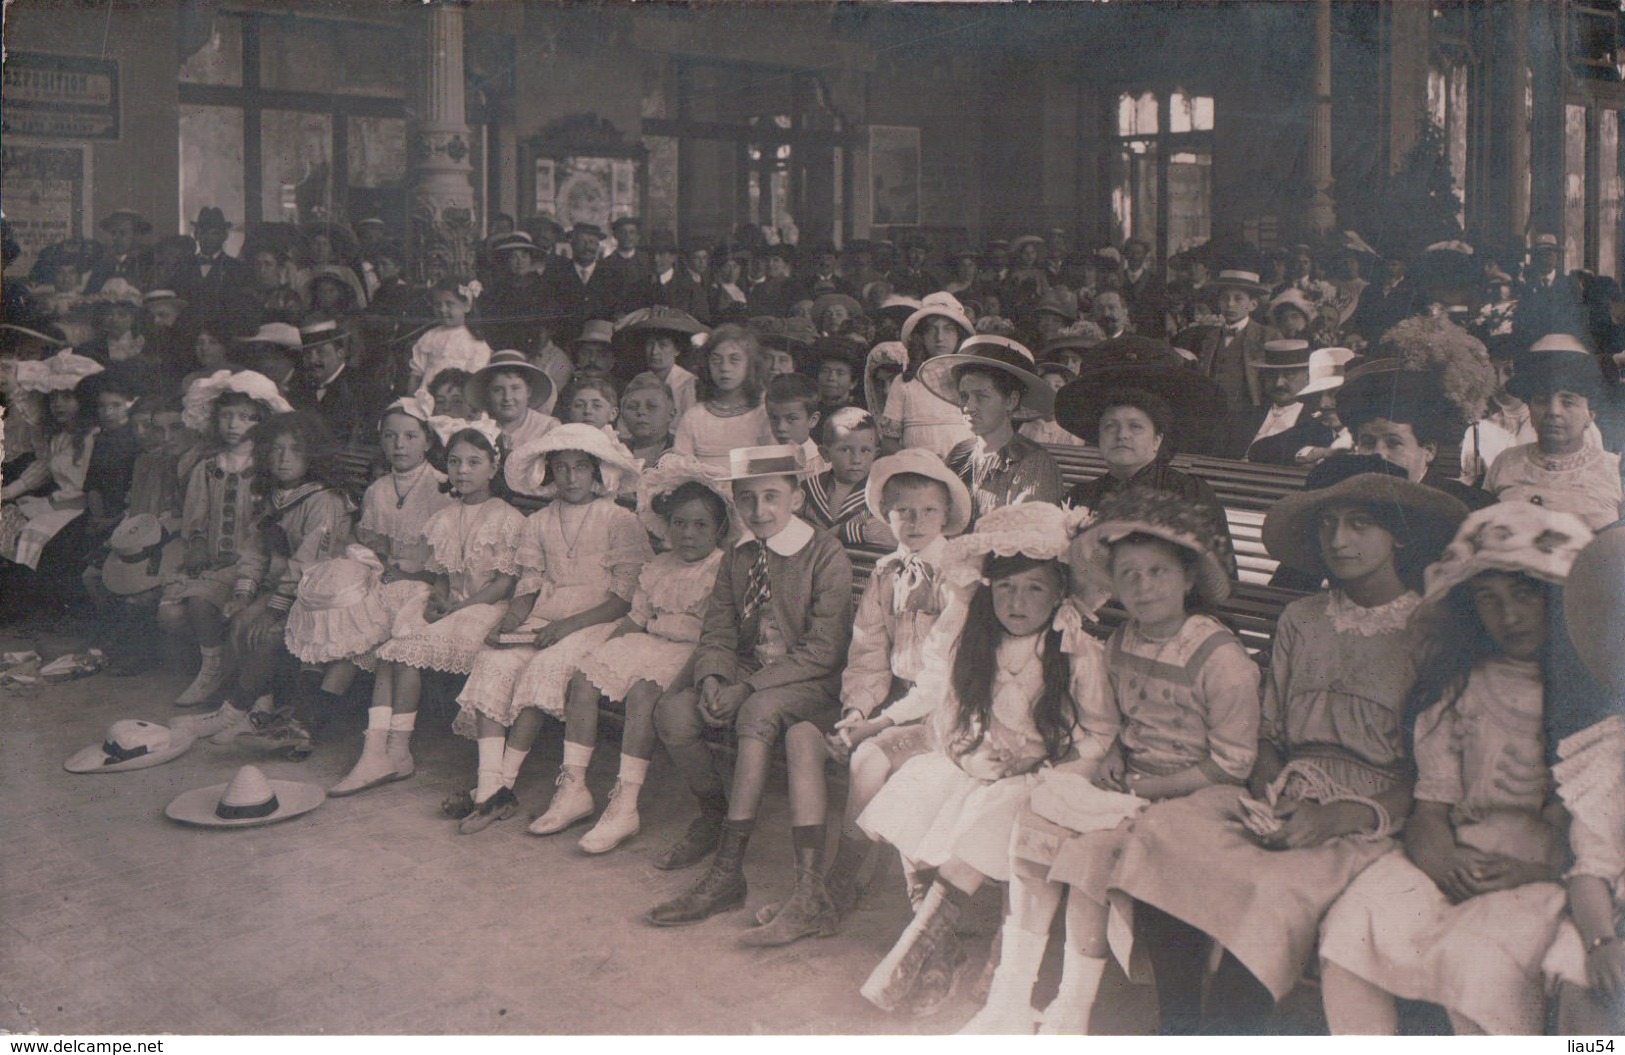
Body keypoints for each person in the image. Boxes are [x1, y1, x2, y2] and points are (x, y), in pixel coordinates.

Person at [1107, 458, 1468, 1033]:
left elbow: (1432, 774)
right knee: (1163, 832)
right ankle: (1176, 1024)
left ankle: (1227, 1031)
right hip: (1280, 791)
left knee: (1270, 888)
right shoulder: (1301, 618)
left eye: (1359, 525)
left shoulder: (1429, 630)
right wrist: (1272, 791)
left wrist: (1338, 816)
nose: (1339, 540)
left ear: (1398, 535)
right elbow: (1269, 732)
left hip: (1366, 815)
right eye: (1328, 526)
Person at [967, 488, 1258, 1034]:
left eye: (1157, 573)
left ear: (1188, 580)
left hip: (1201, 790)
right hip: (1135, 780)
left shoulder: (1219, 658)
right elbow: (1121, 723)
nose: (1142, 587)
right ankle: (1009, 999)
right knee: (1037, 817)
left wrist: (1146, 787)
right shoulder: (1122, 642)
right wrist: (1114, 761)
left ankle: (1072, 1008)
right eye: (1128, 575)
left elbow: (1233, 765)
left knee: (1088, 853)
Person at [1319, 502, 1594, 1035]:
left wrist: (1536, 872)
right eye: (1489, 600)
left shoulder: (1591, 701)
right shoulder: (1463, 689)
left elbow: (1600, 845)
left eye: (1524, 595)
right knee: (1352, 926)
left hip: (1545, 876)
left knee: (1475, 962)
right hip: (1452, 859)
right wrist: (1439, 860)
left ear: (1561, 598)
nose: (1508, 616)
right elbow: (1430, 805)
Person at [857, 502, 1116, 1015]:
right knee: (918, 791)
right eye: (1007, 588)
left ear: (1060, 593)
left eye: (1035, 588)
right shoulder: (973, 641)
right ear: (988, 589)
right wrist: (970, 753)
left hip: (1043, 775)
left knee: (992, 817)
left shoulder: (1075, 650)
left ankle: (927, 948)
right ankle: (938, 953)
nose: (1018, 602)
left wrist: (1050, 768)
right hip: (981, 765)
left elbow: (1101, 733)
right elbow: (951, 717)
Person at [644, 444, 854, 931]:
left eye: (772, 497)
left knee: (756, 712)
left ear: (796, 497)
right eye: (747, 500)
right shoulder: (738, 555)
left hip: (808, 679)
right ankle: (715, 814)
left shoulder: (824, 553)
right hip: (746, 669)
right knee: (674, 714)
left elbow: (824, 649)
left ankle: (727, 870)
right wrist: (716, 677)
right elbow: (717, 629)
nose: (760, 511)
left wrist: (747, 688)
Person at [788, 450, 973, 932]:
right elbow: (868, 649)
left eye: (928, 511)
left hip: (945, 708)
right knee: (848, 746)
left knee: (867, 758)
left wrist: (881, 723)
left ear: (946, 515)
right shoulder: (887, 570)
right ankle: (837, 882)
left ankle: (840, 881)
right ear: (886, 514)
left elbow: (942, 675)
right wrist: (856, 709)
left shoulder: (957, 577)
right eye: (902, 510)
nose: (914, 521)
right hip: (896, 703)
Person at [451, 425, 653, 834]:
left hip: (599, 622)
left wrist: (565, 627)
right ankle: (489, 783)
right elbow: (528, 586)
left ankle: (501, 786)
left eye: (580, 467)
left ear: (597, 472)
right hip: (546, 619)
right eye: (560, 468)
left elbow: (624, 598)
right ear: (549, 474)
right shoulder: (539, 522)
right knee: (494, 661)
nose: (571, 477)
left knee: (544, 669)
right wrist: (509, 623)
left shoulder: (619, 520)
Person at [546, 459, 733, 853]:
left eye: (701, 525)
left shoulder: (721, 569)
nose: (688, 534)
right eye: (679, 523)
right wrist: (601, 648)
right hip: (649, 640)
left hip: (691, 650)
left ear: (719, 530)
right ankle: (574, 785)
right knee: (584, 678)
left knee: (644, 693)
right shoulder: (659, 565)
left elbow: (717, 635)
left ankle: (626, 802)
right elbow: (638, 617)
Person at [362, 422, 524, 801]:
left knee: (406, 652)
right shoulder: (445, 516)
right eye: (454, 462)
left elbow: (503, 584)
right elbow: (441, 577)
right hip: (454, 606)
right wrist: (438, 602)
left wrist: (458, 608)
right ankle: (382, 749)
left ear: (493, 467)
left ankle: (395, 750)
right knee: (392, 649)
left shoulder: (507, 518)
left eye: (473, 462)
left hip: (487, 610)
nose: (462, 471)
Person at [288, 395, 452, 756]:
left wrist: (400, 575)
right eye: (391, 437)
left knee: (358, 628)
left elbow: (448, 561)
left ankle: (309, 721)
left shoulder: (443, 489)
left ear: (427, 440)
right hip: (386, 577)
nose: (400, 445)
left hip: (424, 584)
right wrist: (377, 569)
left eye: (410, 436)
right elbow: (374, 546)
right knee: (332, 606)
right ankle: (303, 717)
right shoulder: (379, 490)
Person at [189, 412, 354, 755]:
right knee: (240, 620)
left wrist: (273, 610)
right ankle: (258, 707)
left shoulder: (324, 500)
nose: (284, 458)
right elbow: (255, 549)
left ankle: (236, 710)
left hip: (317, 593)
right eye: (276, 450)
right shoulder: (272, 497)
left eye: (295, 450)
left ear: (314, 455)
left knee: (264, 632)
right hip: (280, 587)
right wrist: (243, 591)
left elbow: (308, 563)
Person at [155, 371, 292, 707]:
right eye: (227, 415)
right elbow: (196, 515)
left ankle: (225, 671)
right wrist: (198, 542)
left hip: (252, 566)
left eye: (245, 417)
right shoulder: (207, 467)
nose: (234, 424)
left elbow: (269, 527)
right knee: (184, 607)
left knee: (206, 602)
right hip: (215, 561)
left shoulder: (267, 468)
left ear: (262, 421)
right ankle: (213, 664)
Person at [1054, 350, 1238, 580]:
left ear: (1157, 440)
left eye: (1136, 427)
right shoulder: (1080, 497)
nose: (1122, 435)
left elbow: (1220, 577)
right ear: (1099, 438)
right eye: (1110, 426)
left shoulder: (1189, 493)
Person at [0, 353, 106, 623]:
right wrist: (8, 492)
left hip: (79, 506)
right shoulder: (59, 436)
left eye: (67, 397)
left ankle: (43, 610)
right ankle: (18, 607)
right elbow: (44, 467)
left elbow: (85, 487)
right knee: (10, 519)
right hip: (60, 503)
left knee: (34, 530)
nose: (59, 404)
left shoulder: (93, 437)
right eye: (54, 397)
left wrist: (46, 506)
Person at [1484, 336, 1624, 530]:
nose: (1553, 411)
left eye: (1568, 402)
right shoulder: (1505, 463)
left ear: (1590, 414)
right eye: (1541, 400)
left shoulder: (1614, 470)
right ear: (1530, 409)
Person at [922, 334, 1062, 525]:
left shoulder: (1033, 463)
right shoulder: (959, 454)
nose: (969, 407)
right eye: (964, 396)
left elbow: (1026, 538)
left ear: (1011, 400)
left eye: (981, 396)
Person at [1333, 347, 1494, 512]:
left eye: (1393, 443)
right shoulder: (1346, 506)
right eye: (1368, 443)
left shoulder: (1469, 507)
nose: (1379, 455)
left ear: (1429, 450)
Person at [885, 293, 977, 459]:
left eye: (948, 329)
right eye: (931, 330)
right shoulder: (905, 382)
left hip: (966, 469)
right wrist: (917, 464)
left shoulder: (973, 381)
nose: (939, 338)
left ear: (959, 336)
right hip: (917, 474)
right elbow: (889, 442)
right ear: (921, 336)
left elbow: (987, 434)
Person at [671, 323, 774, 471]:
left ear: (750, 364)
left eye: (734, 359)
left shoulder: (764, 413)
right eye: (716, 360)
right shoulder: (695, 416)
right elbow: (679, 470)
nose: (725, 368)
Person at [1174, 269, 1275, 417]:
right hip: (1212, 413)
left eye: (1238, 298)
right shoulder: (1209, 336)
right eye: (1224, 298)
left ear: (1253, 305)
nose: (1230, 304)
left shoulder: (1268, 336)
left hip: (1249, 414)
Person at [1247, 345, 1357, 467]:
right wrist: (1316, 453)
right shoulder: (1311, 427)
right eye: (1317, 396)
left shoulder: (1374, 427)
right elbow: (1257, 451)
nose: (1323, 404)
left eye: (1334, 394)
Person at [799, 407, 894, 548]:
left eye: (865, 450)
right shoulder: (807, 490)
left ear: (876, 454)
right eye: (844, 450)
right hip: (817, 567)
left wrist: (847, 532)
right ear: (825, 453)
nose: (856, 459)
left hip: (864, 567)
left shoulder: (883, 493)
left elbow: (899, 532)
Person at [287, 320, 370, 448]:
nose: (313, 360)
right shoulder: (301, 387)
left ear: (340, 353)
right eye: (308, 353)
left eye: (321, 352)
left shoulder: (362, 385)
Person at [615, 306, 707, 421]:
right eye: (650, 344)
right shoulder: (637, 382)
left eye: (663, 345)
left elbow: (692, 426)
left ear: (676, 350)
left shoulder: (689, 385)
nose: (654, 352)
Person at [465, 350, 560, 459]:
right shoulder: (480, 427)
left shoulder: (547, 427)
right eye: (498, 390)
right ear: (488, 394)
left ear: (528, 391)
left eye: (515, 388)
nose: (507, 397)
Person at [407, 276, 491, 399]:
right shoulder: (430, 336)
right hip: (426, 397)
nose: (442, 309)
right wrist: (410, 399)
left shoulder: (475, 341)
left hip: (459, 399)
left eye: (449, 304)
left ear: (467, 306)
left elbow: (474, 381)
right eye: (437, 305)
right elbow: (416, 374)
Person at [545, 223, 626, 343]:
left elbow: (618, 314)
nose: (587, 247)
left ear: (598, 245)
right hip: (564, 343)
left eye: (592, 242)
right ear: (572, 244)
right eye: (581, 242)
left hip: (601, 345)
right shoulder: (556, 275)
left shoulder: (613, 276)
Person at [764, 372, 829, 477]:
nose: (781, 427)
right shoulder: (765, 463)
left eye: (791, 419)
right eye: (774, 418)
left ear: (812, 420)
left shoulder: (825, 469)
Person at [619, 372, 678, 467]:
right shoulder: (612, 451)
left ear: (671, 414)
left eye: (652, 406)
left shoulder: (685, 452)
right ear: (622, 415)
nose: (641, 411)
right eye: (632, 406)